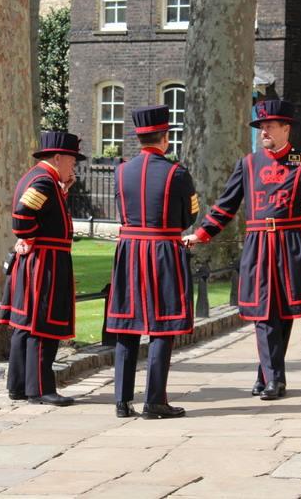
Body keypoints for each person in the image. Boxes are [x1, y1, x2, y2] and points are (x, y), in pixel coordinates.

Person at [184, 99, 301, 400]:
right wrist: (200, 234)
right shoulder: (247, 164)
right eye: (261, 126)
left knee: (283, 312)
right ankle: (275, 379)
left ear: (286, 128)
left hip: (292, 244)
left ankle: (266, 375)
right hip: (259, 245)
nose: (264, 131)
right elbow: (225, 206)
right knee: (264, 312)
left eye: (270, 126)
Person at [105, 105, 199, 419]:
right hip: (162, 251)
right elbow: (189, 217)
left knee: (126, 326)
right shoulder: (177, 172)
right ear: (165, 137)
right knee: (162, 326)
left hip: (130, 250)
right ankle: (155, 400)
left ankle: (121, 400)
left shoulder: (120, 171)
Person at [0, 131, 84, 407]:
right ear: (58, 158)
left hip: (39, 259)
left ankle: (19, 386)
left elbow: (43, 214)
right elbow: (22, 217)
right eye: (72, 160)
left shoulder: (42, 179)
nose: (74, 166)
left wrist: (64, 189)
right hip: (45, 261)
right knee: (41, 325)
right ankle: (40, 389)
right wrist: (29, 236)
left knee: (25, 325)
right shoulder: (45, 181)